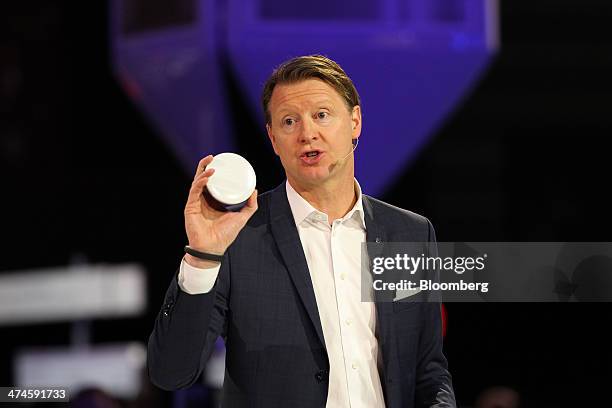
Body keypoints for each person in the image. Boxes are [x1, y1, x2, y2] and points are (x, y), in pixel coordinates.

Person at [148, 55, 456, 407]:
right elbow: (171, 373)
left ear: (355, 121)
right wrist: (203, 257)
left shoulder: (411, 234)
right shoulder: (236, 236)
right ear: (274, 139)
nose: (307, 133)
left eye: (322, 115)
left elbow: (428, 370)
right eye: (289, 121)